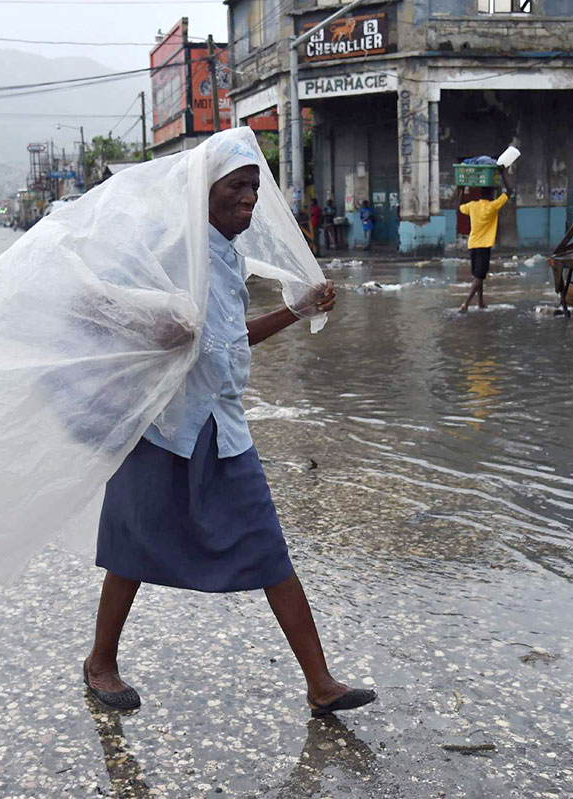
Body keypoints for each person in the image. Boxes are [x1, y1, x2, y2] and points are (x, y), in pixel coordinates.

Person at [84, 135, 376, 719]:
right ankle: (100, 663)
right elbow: (104, 305)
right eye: (236, 186)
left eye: (254, 188)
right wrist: (157, 329)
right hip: (164, 423)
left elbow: (229, 337)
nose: (249, 198)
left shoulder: (228, 257)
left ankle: (321, 683)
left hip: (221, 424)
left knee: (268, 547)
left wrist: (296, 311)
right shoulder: (171, 249)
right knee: (132, 547)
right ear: (204, 190)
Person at [458, 168, 513, 312]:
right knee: (479, 276)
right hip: (484, 246)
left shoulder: (472, 206)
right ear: (491, 194)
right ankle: (466, 303)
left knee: (478, 275)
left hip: (472, 244)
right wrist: (503, 174)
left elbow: (459, 207)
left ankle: (481, 303)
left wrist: (462, 189)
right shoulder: (492, 206)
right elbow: (510, 191)